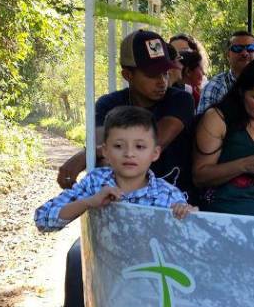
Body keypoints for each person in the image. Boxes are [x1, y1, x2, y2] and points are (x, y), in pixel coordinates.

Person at [56, 29, 196, 197]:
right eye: (152, 74)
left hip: (176, 205)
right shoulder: (108, 104)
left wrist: (87, 155)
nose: (162, 81)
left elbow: (149, 144)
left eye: (165, 72)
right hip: (120, 202)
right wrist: (96, 153)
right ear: (127, 75)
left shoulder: (181, 100)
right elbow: (104, 157)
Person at [36, 106, 196, 231]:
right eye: (118, 146)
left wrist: (190, 216)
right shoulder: (94, 183)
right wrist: (89, 202)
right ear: (105, 151)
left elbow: (191, 241)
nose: (129, 153)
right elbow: (43, 219)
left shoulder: (169, 196)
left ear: (155, 153)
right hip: (102, 271)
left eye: (139, 146)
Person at [192, 59, 254, 217]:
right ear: (241, 92)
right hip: (225, 213)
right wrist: (244, 165)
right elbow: (200, 176)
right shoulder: (217, 118)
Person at [197, 30, 254, 118]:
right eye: (237, 49)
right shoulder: (216, 86)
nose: (244, 53)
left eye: (251, 48)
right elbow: (204, 126)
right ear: (228, 55)